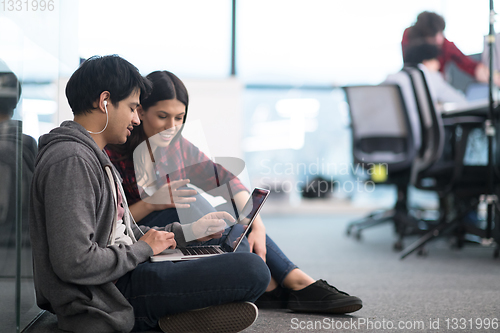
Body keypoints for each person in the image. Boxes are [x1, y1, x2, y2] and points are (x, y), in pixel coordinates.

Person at [29, 55, 272, 333]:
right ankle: (154, 319)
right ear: (105, 102)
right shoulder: (71, 161)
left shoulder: (90, 156)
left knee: (233, 246)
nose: (136, 117)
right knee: (252, 270)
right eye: (133, 107)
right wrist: (145, 249)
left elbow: (121, 234)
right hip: (109, 295)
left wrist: (189, 231)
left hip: (124, 273)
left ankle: (176, 315)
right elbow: (75, 263)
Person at [105, 70, 363, 314]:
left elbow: (227, 181)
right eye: (162, 116)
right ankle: (287, 283)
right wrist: (152, 203)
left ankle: (287, 282)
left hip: (175, 229)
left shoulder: (177, 146)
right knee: (190, 200)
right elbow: (114, 221)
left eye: (179, 118)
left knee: (226, 207)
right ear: (141, 111)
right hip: (140, 232)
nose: (171, 126)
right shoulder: (118, 148)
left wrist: (257, 225)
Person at [401, 11, 499, 85]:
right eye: (434, 36)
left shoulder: (446, 44)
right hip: (416, 85)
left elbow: (471, 67)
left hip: (439, 86)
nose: (439, 40)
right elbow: (409, 67)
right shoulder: (409, 37)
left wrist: (496, 78)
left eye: (441, 33)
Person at [403, 43, 468, 109]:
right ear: (426, 63)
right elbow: (460, 101)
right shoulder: (431, 77)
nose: (438, 65)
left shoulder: (406, 79)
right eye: (434, 60)